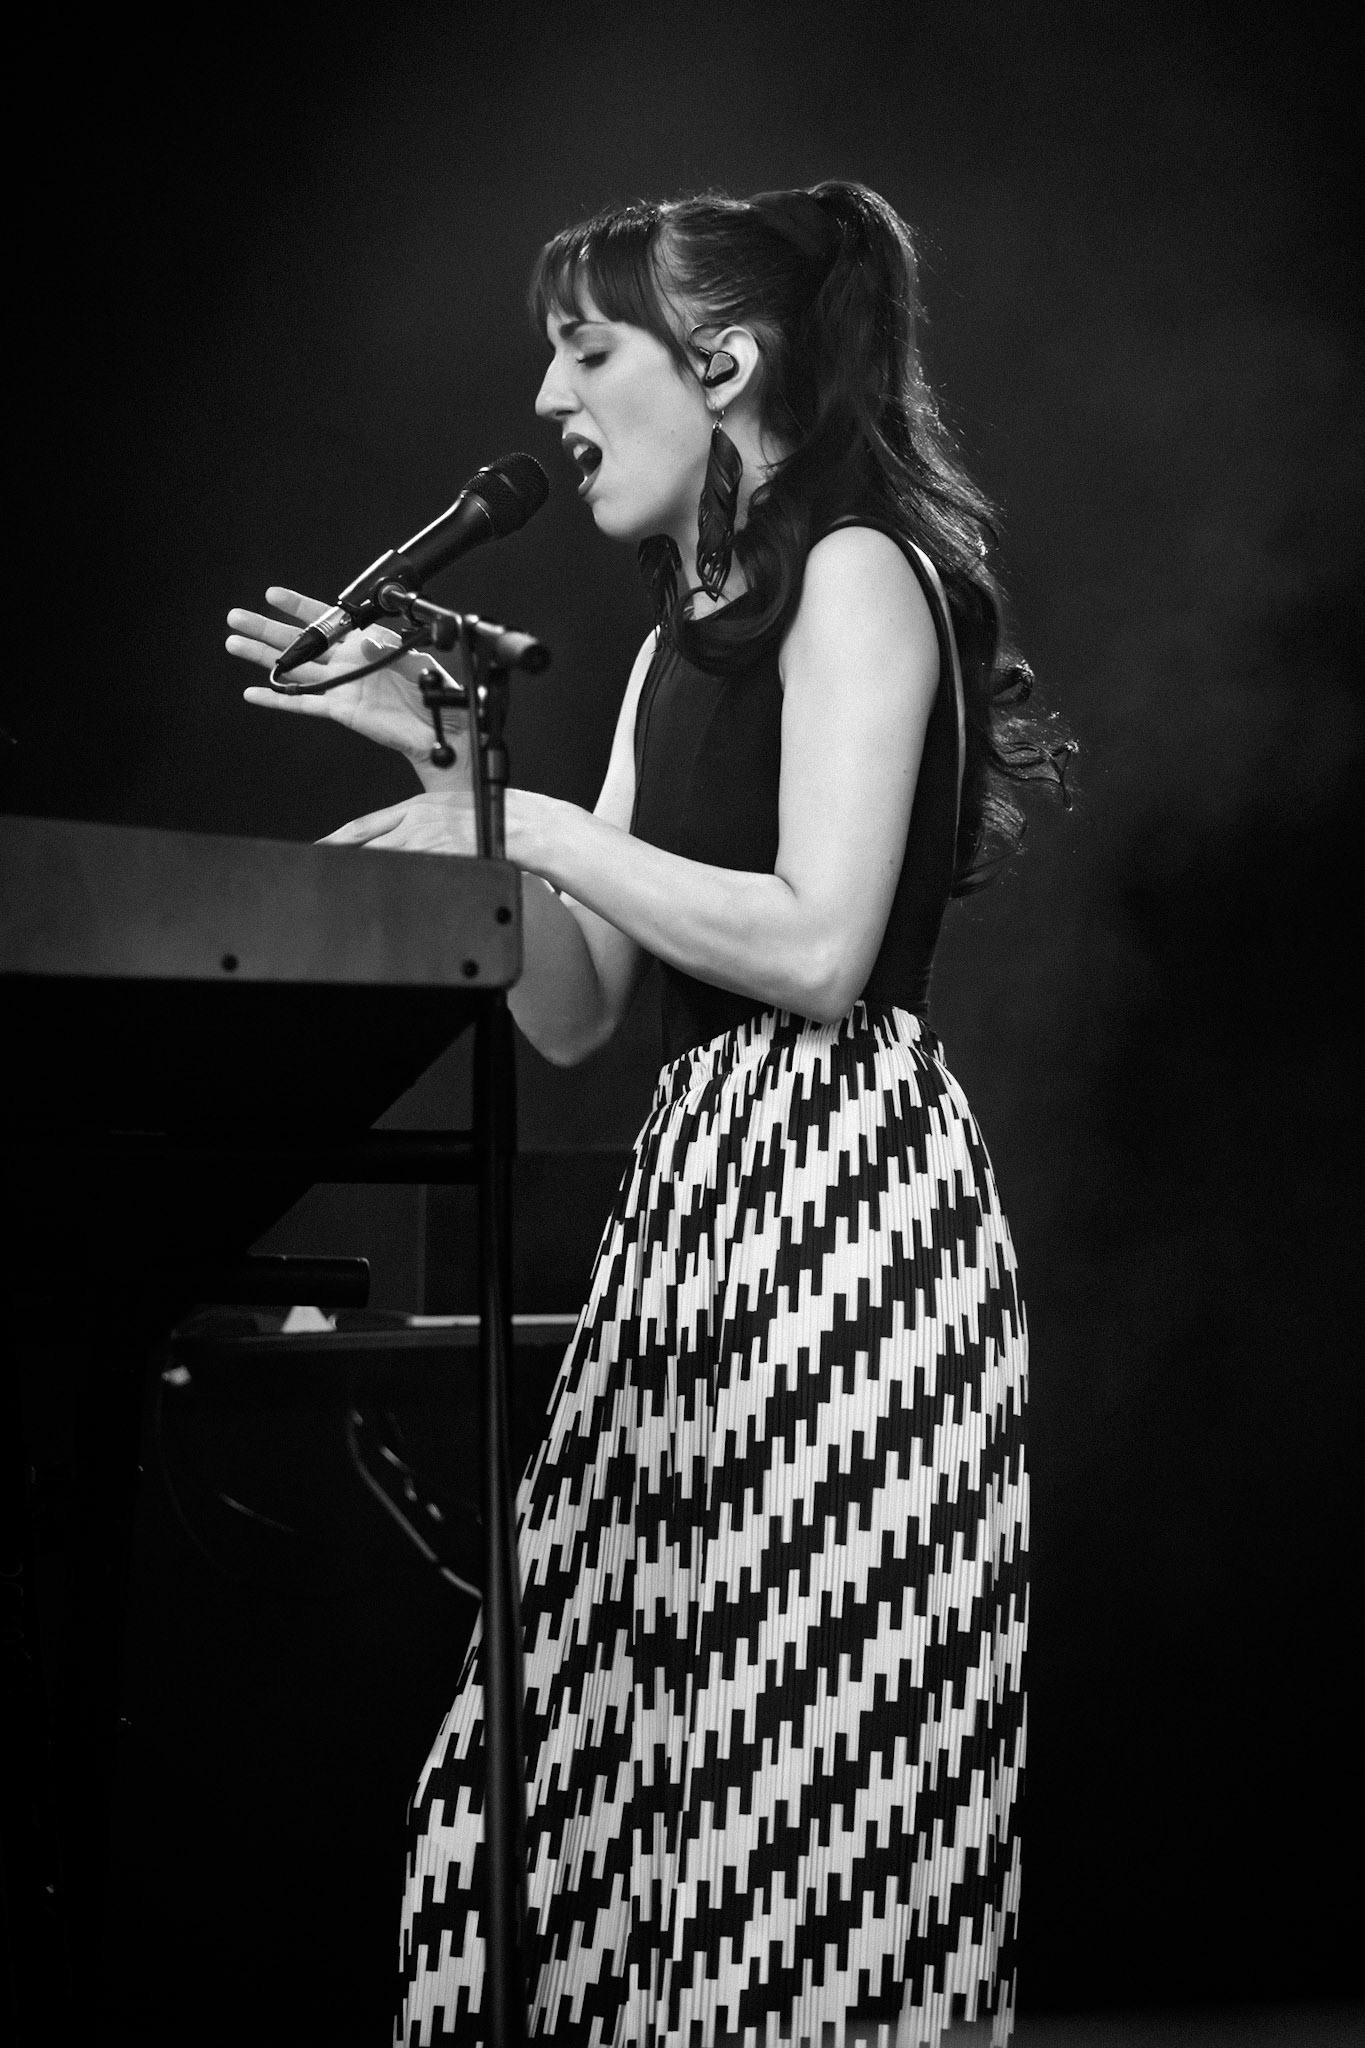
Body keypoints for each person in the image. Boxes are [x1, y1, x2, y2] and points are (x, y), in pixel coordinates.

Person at [227, 180, 1068, 2048]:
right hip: (695, 1216)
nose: (548, 399)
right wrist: (452, 763)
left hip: (846, 1206)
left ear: (725, 359)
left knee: (808, 1808)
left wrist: (535, 823)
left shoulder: (860, 570)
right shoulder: (671, 638)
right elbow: (580, 1009)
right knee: (583, 1786)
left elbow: (823, 949)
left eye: (583, 348)